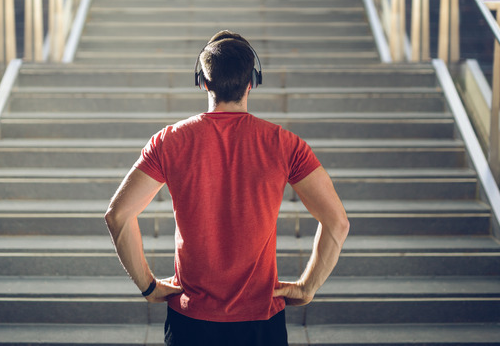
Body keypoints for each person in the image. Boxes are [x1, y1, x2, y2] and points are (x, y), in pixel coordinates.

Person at [105, 30, 350, 346]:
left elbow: (118, 216)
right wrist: (306, 287)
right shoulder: (286, 144)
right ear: (252, 82)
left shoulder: (169, 141)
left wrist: (149, 287)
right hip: (262, 322)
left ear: (203, 82)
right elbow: (338, 223)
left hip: (191, 321)